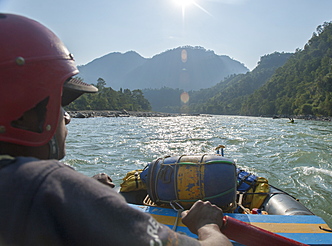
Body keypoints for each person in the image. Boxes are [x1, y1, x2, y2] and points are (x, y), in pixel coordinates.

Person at [0, 13, 232, 246]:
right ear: (25, 113)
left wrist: (86, 190)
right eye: (62, 106)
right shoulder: (51, 188)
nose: (67, 119)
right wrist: (208, 226)